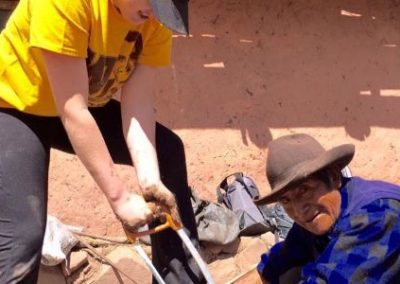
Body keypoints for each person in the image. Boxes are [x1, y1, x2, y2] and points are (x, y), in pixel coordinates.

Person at [0, 0, 205, 283]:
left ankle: (180, 278)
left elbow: (138, 103)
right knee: (23, 234)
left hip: (78, 103)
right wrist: (119, 198)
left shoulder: (154, 17)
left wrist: (150, 182)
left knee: (168, 152)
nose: (154, 15)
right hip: (14, 104)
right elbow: (73, 111)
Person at [255, 133, 400, 283]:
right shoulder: (316, 215)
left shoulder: (378, 214)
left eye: (304, 190)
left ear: (334, 176)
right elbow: (273, 265)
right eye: (286, 200)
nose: (298, 211)